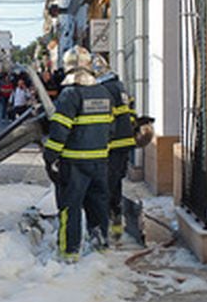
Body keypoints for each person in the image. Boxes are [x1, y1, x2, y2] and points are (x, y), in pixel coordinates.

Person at [43, 46, 113, 263]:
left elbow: (60, 130)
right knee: (99, 204)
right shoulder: (104, 93)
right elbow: (110, 129)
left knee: (70, 206)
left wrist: (50, 155)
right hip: (100, 161)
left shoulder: (70, 94)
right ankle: (100, 246)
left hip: (74, 164)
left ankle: (69, 252)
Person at [91, 54, 137, 242]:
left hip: (111, 145)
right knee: (116, 184)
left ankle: (105, 229)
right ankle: (117, 227)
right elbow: (131, 114)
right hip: (125, 144)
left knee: (105, 187)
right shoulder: (120, 87)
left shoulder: (103, 90)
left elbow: (105, 120)